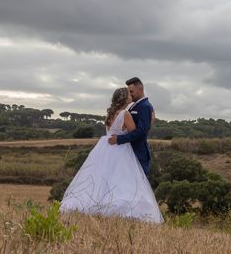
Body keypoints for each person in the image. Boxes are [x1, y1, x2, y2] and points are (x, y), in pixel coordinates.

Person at [60, 85, 163, 223]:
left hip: (106, 148)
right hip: (120, 149)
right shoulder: (124, 114)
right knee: (122, 180)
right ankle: (119, 208)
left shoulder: (109, 114)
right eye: (128, 94)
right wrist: (150, 122)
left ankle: (97, 205)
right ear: (124, 98)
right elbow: (137, 132)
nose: (131, 95)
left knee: (103, 178)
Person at [108, 77, 154, 176]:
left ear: (140, 89)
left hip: (138, 153)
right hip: (126, 153)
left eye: (131, 91)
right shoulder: (132, 107)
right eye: (129, 92)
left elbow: (142, 132)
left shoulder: (145, 106)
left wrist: (119, 139)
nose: (130, 94)